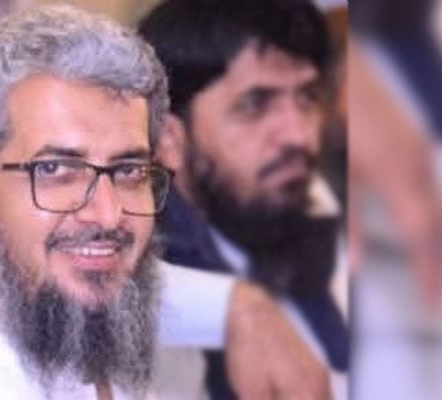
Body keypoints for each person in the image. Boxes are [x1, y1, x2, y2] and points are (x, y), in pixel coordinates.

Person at [0, 5, 329, 400]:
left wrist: (239, 306)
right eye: (55, 170)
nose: (108, 214)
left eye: (128, 171)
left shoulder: (88, 355)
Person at [139, 0, 348, 398]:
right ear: (169, 140)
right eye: (255, 105)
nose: (298, 136)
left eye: (307, 98)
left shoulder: (316, 212)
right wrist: (228, 308)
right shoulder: (138, 296)